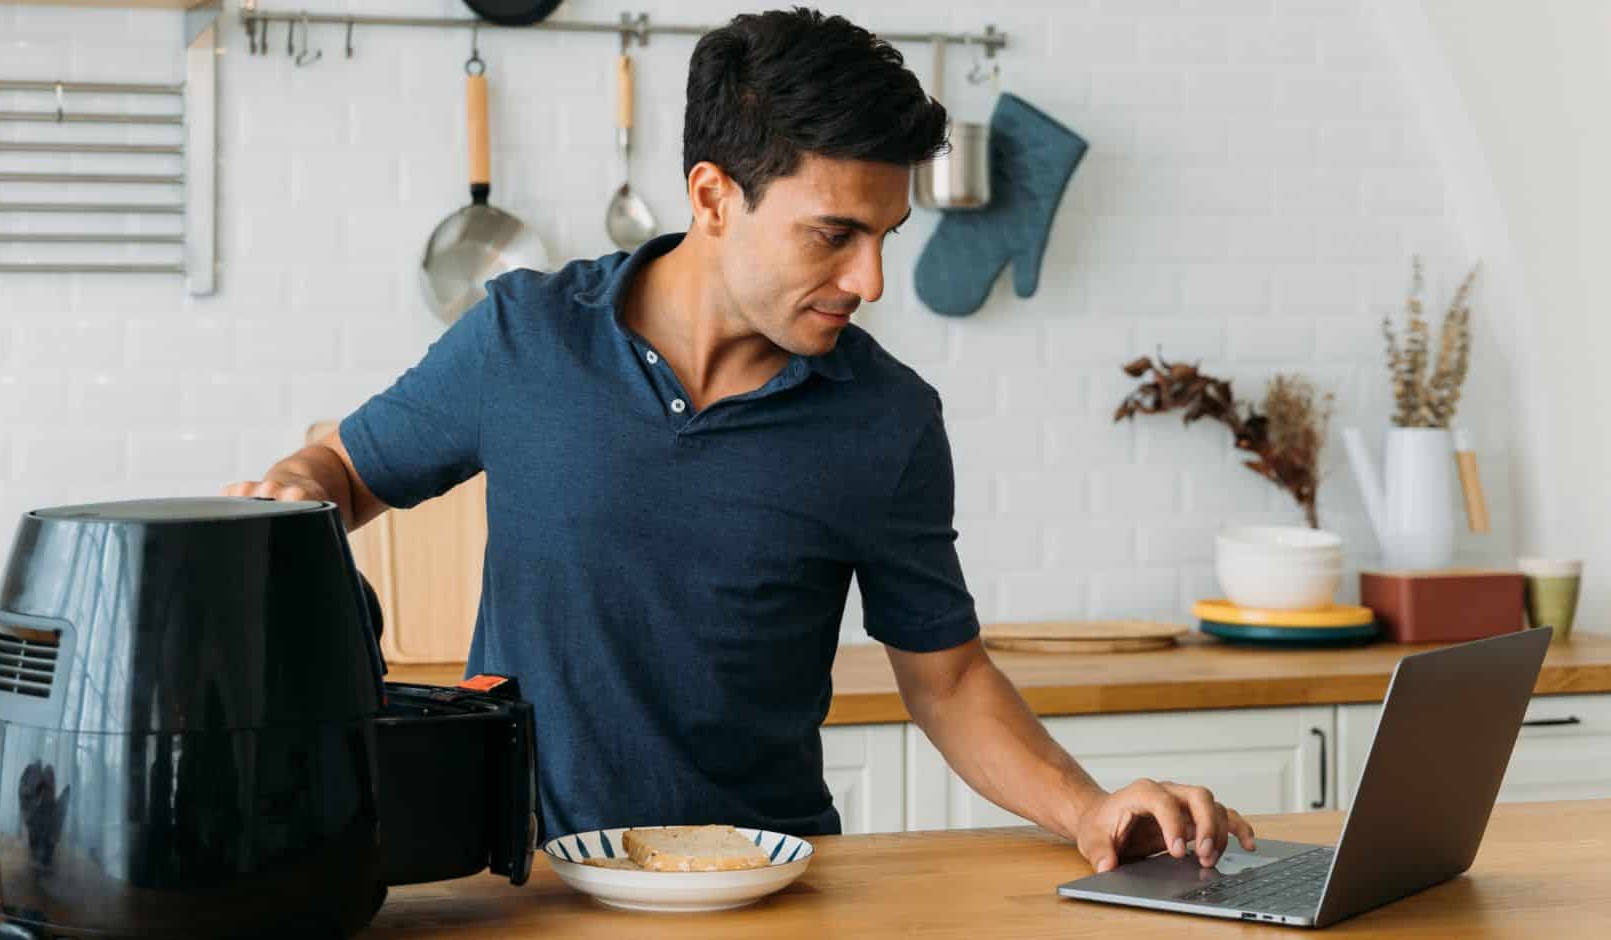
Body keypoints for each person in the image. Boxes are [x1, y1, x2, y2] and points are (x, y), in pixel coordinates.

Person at [226, 7, 1254, 874]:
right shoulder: (522, 337)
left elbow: (947, 680)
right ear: (714, 197)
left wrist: (1086, 808)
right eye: (834, 234)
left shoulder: (886, 420)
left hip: (761, 884)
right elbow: (349, 472)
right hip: (527, 881)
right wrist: (293, 490)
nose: (872, 283)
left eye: (885, 235)